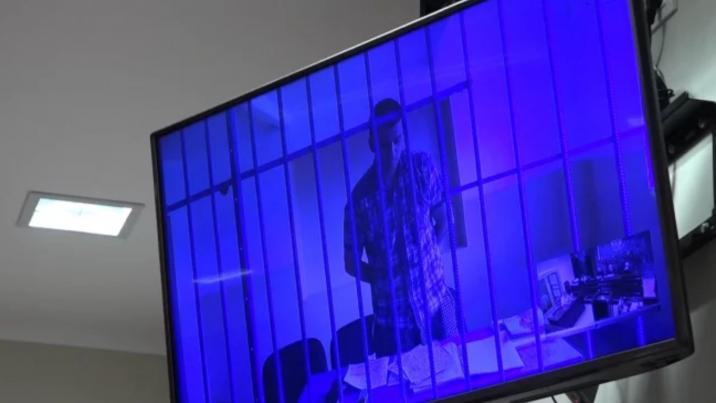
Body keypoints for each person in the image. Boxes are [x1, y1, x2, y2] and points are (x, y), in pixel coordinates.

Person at [343, 98, 458, 357]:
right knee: (399, 383)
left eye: (397, 141)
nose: (392, 152)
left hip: (439, 304)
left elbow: (444, 218)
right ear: (372, 144)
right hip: (392, 326)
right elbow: (350, 263)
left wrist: (428, 257)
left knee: (457, 369)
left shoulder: (422, 168)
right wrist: (382, 277)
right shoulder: (359, 200)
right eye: (384, 145)